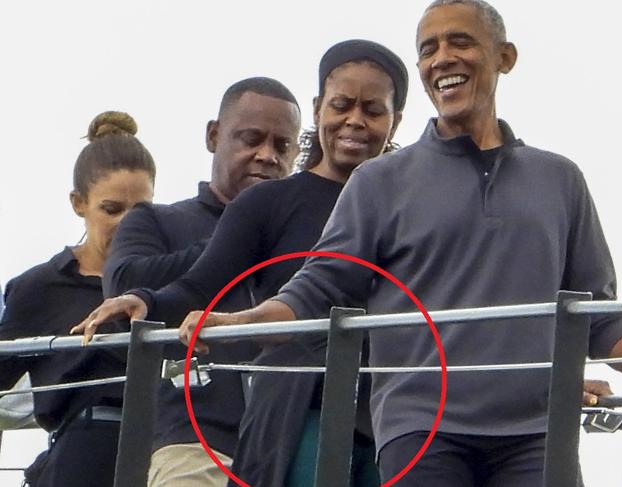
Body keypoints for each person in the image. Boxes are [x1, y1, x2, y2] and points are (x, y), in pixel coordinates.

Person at [172, 1, 622, 485]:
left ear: (504, 57)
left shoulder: (560, 180)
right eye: (428, 49)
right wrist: (238, 322)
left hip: (538, 434)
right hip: (421, 429)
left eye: (460, 41)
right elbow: (316, 289)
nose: (442, 57)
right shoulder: (380, 181)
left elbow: (600, 321)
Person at [73, 39, 407, 486]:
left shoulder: (414, 201)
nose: (354, 121)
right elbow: (201, 284)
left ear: (395, 120)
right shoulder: (270, 202)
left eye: (372, 109)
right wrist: (143, 301)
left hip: (402, 413)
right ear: (318, 108)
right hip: (299, 413)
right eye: (342, 104)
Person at [75, 77, 302, 487]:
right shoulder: (157, 220)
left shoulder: (302, 233)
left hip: (289, 445)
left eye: (282, 146)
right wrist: (238, 239)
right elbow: (124, 284)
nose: (267, 155)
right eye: (251, 138)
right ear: (214, 135)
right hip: (194, 445)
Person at [0, 110, 155, 487]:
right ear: (78, 203)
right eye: (112, 209)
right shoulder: (40, 287)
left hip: (163, 449)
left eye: (141, 211)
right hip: (83, 455)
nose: (127, 223)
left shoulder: (170, 280)